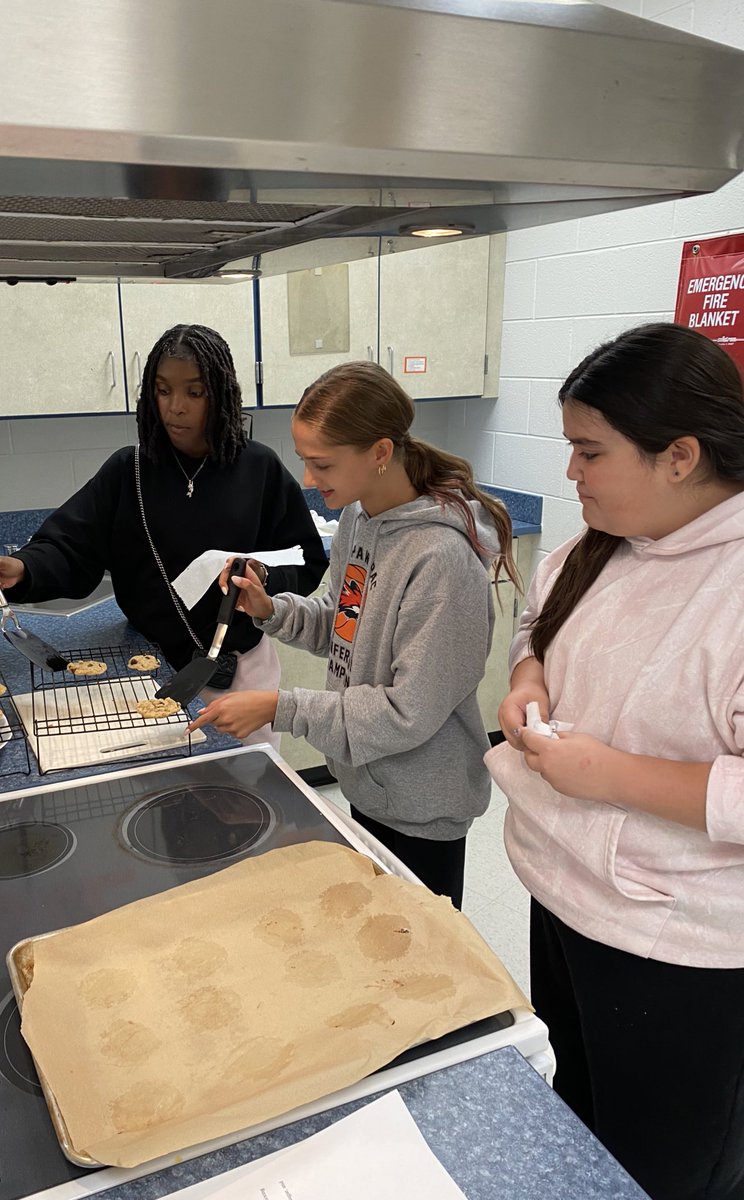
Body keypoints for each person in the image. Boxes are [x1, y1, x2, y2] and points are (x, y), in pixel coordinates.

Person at [490, 323, 744, 1200]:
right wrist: (529, 677)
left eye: (589, 452)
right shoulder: (596, 544)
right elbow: (537, 624)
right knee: (583, 1123)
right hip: (565, 897)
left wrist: (609, 776)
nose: (571, 474)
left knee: (663, 1168)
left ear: (680, 455)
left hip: (678, 950)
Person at [189, 360, 519, 907]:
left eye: (322, 464)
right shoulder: (362, 520)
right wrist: (270, 608)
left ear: (381, 453)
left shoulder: (442, 561)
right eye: (305, 462)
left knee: (418, 963)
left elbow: (405, 712)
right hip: (368, 781)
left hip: (420, 806)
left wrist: (280, 708)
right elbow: (342, 624)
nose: (310, 481)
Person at [0, 324, 327, 746]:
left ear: (222, 393)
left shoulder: (259, 469)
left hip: (240, 671)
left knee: (244, 794)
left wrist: (264, 578)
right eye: (162, 390)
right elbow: (71, 547)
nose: (175, 407)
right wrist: (23, 567)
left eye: (195, 392)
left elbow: (303, 558)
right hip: (147, 667)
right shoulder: (128, 471)